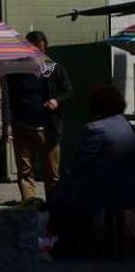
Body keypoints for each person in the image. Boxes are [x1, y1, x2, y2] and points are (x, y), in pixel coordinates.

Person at [48, 85, 135, 257]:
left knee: (58, 198)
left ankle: (68, 245)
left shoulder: (94, 129)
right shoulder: (124, 124)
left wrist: (60, 187)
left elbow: (79, 165)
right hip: (128, 188)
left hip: (105, 191)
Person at [6, 31, 73, 201]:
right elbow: (9, 97)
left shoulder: (53, 68)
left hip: (48, 128)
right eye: (34, 49)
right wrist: (9, 123)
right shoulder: (17, 70)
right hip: (22, 126)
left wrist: (56, 100)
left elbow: (68, 90)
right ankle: (30, 205)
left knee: (52, 173)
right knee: (25, 171)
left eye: (41, 50)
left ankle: (53, 207)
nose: (38, 53)